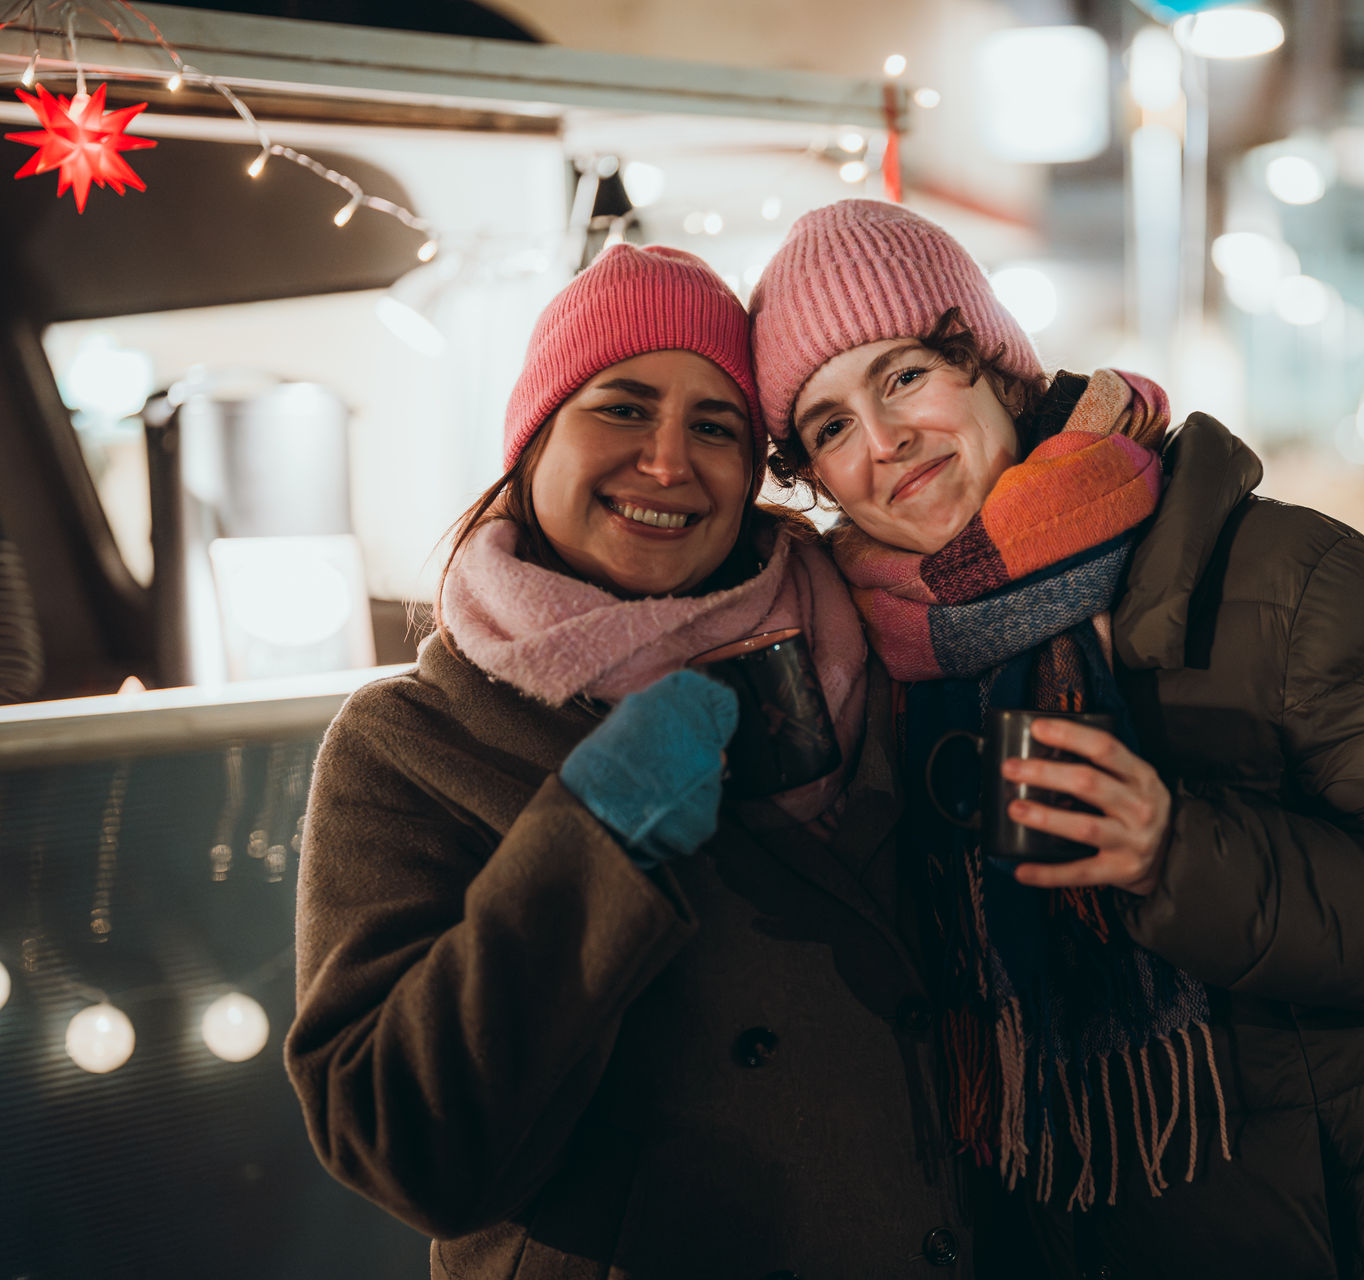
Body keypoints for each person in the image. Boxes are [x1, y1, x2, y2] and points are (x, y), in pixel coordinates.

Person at [749, 200, 1364, 1280]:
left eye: (903, 376)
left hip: (1340, 1237)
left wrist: (1175, 854)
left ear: (993, 363)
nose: (882, 442)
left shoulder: (1286, 576)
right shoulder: (874, 651)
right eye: (830, 427)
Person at [286, 244, 981, 1277]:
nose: (667, 462)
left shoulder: (880, 643)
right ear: (535, 438)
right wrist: (602, 826)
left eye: (716, 426)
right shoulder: (416, 741)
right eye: (621, 407)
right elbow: (403, 1147)